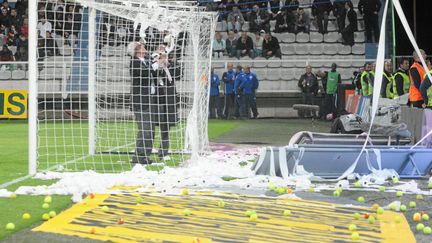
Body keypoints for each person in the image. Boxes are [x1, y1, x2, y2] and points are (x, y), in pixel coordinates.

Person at [129, 42, 154, 165]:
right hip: (140, 101)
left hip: (149, 99)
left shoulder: (147, 61)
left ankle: (144, 156)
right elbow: (144, 74)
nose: (145, 48)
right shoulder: (134, 62)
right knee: (145, 129)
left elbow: (154, 73)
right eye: (142, 46)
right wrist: (155, 65)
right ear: (138, 50)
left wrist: (161, 64)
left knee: (150, 130)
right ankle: (138, 156)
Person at [151, 52, 179, 160]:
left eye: (165, 57)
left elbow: (178, 73)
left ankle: (163, 152)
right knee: (153, 127)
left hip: (169, 101)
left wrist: (171, 63)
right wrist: (158, 63)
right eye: (163, 57)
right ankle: (149, 150)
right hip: (158, 101)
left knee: (166, 128)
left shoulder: (169, 68)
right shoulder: (155, 68)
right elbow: (153, 74)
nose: (165, 59)